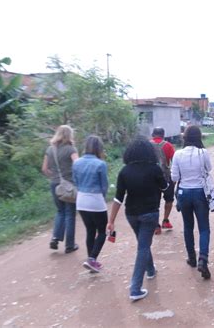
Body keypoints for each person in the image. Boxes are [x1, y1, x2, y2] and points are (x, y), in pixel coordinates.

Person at [107, 136, 168, 301]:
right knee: (143, 246)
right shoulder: (154, 169)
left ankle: (150, 270)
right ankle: (135, 289)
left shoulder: (124, 171)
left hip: (131, 214)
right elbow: (165, 187)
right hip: (150, 213)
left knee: (143, 243)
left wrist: (111, 220)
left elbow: (118, 198)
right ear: (149, 152)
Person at [171, 125, 212, 279]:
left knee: (188, 227)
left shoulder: (178, 154)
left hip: (183, 193)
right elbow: (209, 169)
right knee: (204, 228)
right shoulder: (203, 153)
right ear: (199, 137)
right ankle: (203, 259)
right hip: (201, 192)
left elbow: (174, 178)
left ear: (185, 137)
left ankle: (192, 258)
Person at [72, 136, 109, 273]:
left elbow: (75, 181)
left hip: (81, 199)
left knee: (90, 231)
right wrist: (102, 198)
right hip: (95, 199)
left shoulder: (77, 163)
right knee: (102, 231)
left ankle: (91, 260)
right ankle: (92, 258)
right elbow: (104, 185)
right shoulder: (100, 164)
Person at [42, 125, 79, 253]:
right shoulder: (70, 149)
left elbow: (44, 169)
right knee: (70, 214)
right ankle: (70, 245)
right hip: (69, 185)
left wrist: (55, 177)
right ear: (69, 135)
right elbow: (78, 164)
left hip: (55, 185)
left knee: (60, 211)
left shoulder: (50, 149)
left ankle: (55, 238)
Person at [150, 127, 176, 234]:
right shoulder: (168, 146)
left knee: (154, 202)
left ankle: (156, 225)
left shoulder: (147, 145)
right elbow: (174, 162)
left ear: (153, 134)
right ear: (163, 135)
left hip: (151, 179)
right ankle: (165, 220)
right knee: (169, 199)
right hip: (166, 178)